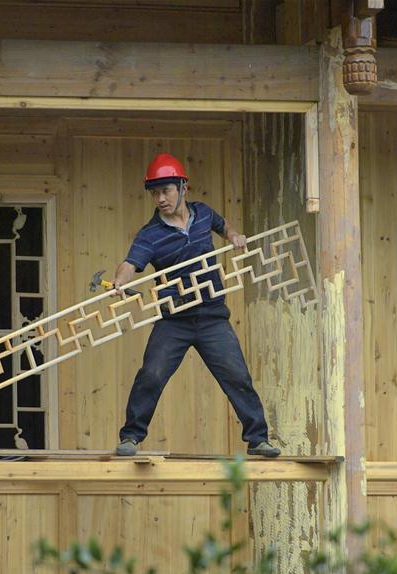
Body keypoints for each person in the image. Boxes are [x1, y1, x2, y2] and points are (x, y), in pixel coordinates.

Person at [111, 153, 281, 458]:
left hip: (213, 316)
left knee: (237, 376)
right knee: (151, 375)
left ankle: (258, 439)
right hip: (174, 319)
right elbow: (129, 264)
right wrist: (120, 281)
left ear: (183, 187)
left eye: (166, 191)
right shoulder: (150, 235)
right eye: (155, 193)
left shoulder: (203, 213)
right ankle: (131, 437)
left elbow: (223, 225)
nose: (160, 199)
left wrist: (233, 236)